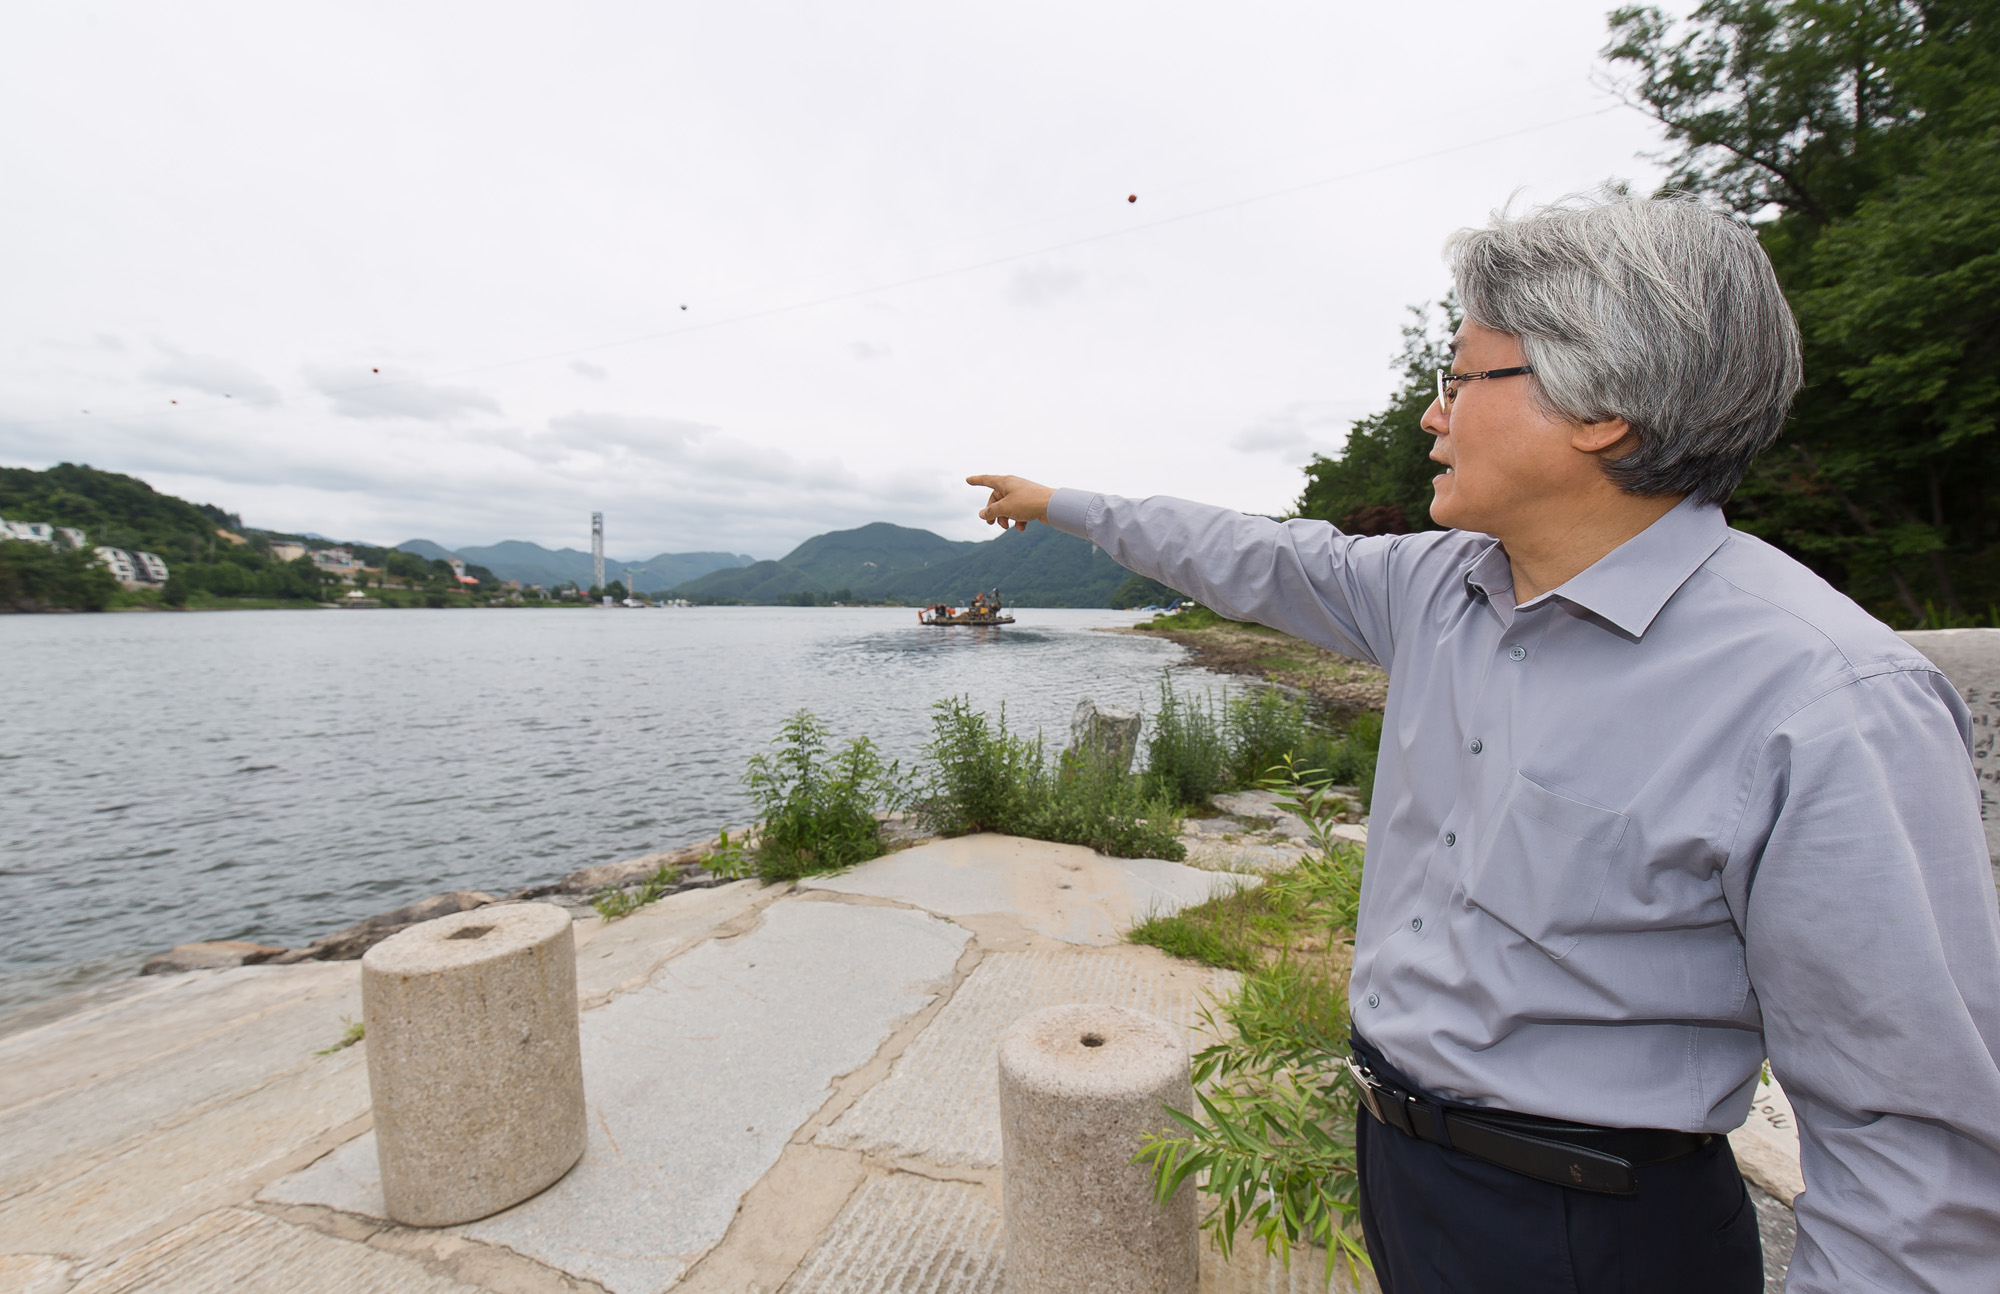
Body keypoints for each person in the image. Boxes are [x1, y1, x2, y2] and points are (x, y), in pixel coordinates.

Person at [969, 196, 2000, 1293]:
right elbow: (1247, 553)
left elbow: (1912, 1156)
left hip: (1595, 1226)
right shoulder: (1430, 589)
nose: (1431, 413)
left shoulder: (1823, 696)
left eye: (1460, 378)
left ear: (1601, 405)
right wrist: (1061, 503)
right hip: (1400, 1166)